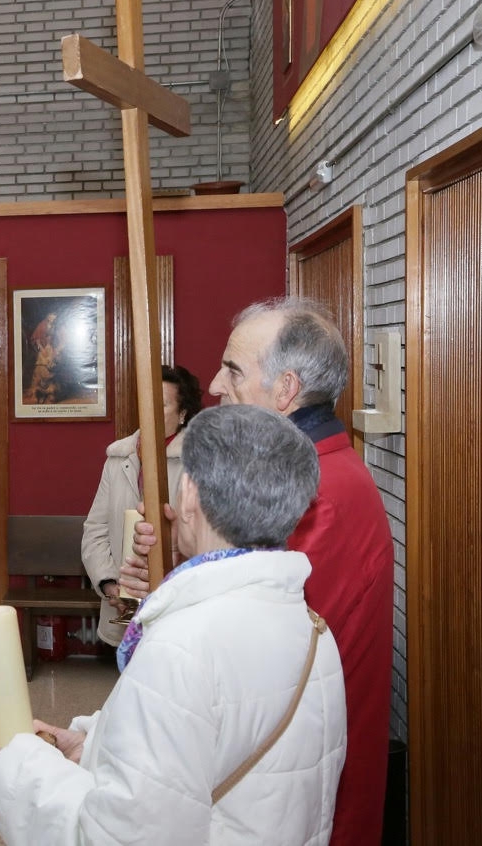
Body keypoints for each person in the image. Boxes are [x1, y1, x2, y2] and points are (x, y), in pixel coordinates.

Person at [0, 405, 347, 845]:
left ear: (189, 497)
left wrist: (12, 774)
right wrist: (89, 747)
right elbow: (202, 755)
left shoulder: (182, 647)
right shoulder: (313, 628)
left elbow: (116, 837)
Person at [123, 297, 394, 846]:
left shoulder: (319, 495)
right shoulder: (301, 476)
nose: (218, 386)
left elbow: (246, 645)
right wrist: (184, 549)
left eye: (234, 370)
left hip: (299, 802)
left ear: (286, 389)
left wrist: (175, 582)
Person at [80, 365, 202, 645]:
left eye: (161, 404)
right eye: (147, 402)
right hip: (122, 604)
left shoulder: (197, 462)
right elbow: (95, 529)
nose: (150, 412)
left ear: (183, 414)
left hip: (176, 604)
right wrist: (111, 586)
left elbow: (203, 540)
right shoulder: (117, 457)